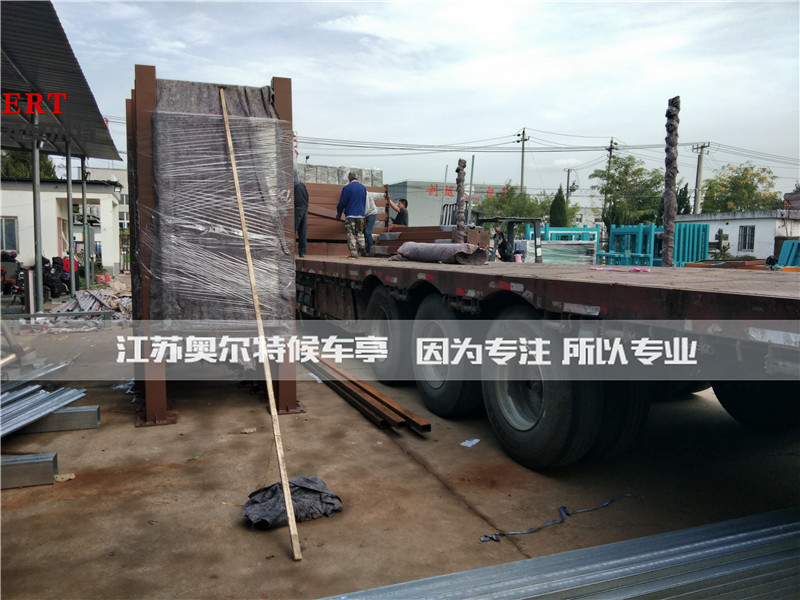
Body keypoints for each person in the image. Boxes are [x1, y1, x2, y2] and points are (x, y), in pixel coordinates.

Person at [336, 171, 367, 259]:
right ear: (357, 178)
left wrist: (339, 213)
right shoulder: (363, 188)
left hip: (351, 215)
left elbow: (342, 202)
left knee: (351, 234)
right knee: (360, 232)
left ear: (349, 179)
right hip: (361, 215)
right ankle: (363, 248)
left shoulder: (347, 188)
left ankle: (354, 253)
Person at [293, 168, 308, 257]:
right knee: (302, 232)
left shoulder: (294, 185)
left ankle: (292, 252)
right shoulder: (302, 185)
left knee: (292, 231)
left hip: (297, 209)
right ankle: (302, 252)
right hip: (304, 209)